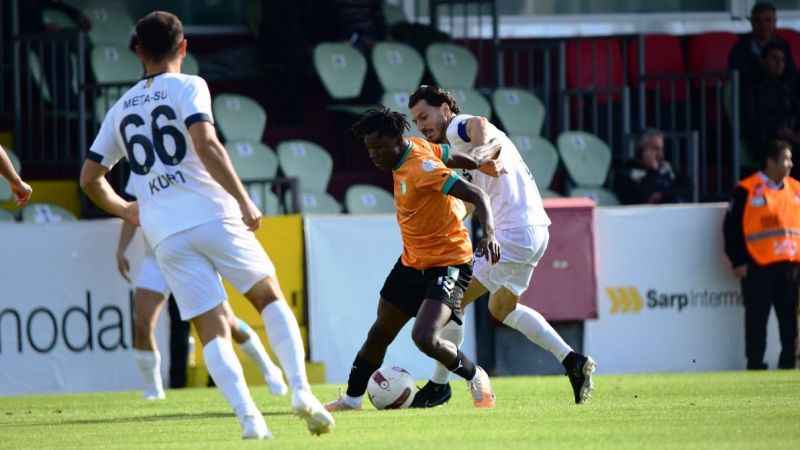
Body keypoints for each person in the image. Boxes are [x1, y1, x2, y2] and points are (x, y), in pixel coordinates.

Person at [79, 11, 333, 440]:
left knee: (210, 326)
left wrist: (125, 209)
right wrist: (243, 198)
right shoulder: (190, 85)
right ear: (183, 47)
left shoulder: (119, 109)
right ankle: (301, 392)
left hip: (165, 233)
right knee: (268, 297)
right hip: (212, 213)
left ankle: (250, 421)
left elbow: (89, 178)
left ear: (137, 51)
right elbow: (205, 142)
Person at [406, 85, 596, 407]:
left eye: (425, 115)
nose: (422, 125)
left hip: (513, 232)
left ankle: (439, 385)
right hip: (535, 231)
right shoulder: (463, 150)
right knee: (500, 308)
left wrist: (481, 155)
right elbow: (471, 200)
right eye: (416, 120)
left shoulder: (458, 127)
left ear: (444, 108)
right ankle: (572, 361)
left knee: (450, 301)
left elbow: (478, 123)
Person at [324, 108, 501, 412]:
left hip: (449, 263)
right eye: (370, 149)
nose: (374, 155)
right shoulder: (416, 147)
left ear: (397, 140)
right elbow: (453, 155)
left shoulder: (422, 167)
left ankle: (474, 374)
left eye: (380, 148)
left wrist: (489, 234)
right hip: (412, 262)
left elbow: (476, 195)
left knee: (424, 337)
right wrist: (478, 157)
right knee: (380, 331)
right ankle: (352, 400)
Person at [116, 178, 288, 400]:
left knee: (228, 322)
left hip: (190, 256)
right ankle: (153, 391)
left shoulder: (188, 160)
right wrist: (121, 249)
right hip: (156, 257)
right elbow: (133, 212)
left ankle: (269, 369)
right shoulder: (140, 165)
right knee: (141, 321)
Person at [723, 139, 800, 370]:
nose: (790, 164)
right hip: (757, 265)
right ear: (770, 162)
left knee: (789, 321)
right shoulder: (746, 189)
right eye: (785, 159)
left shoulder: (796, 189)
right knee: (757, 319)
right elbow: (731, 228)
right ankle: (755, 364)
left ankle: (789, 363)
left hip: (789, 266)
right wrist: (738, 260)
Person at [729, 2, 796, 96]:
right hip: (750, 99)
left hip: (779, 98)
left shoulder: (782, 44)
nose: (763, 25)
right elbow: (737, 78)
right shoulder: (740, 47)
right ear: (751, 22)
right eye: (757, 20)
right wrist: (763, 66)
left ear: (775, 22)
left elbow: (791, 74)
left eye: (768, 20)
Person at [615, 129, 692, 205]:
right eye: (655, 149)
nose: (661, 154)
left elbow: (688, 187)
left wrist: (664, 195)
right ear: (641, 150)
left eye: (661, 149)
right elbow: (645, 197)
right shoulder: (625, 172)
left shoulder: (666, 167)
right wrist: (653, 170)